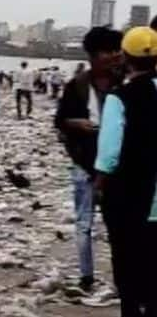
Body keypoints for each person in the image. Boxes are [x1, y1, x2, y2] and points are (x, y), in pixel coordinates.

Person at [55, 26, 124, 294]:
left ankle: (122, 279)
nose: (116, 56)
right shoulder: (78, 85)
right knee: (84, 223)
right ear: (95, 56)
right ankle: (87, 277)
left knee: (117, 225)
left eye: (118, 50)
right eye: (109, 51)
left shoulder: (126, 83)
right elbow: (60, 120)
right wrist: (78, 124)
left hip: (117, 167)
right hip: (85, 164)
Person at [94, 26, 157, 316]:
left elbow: (109, 153)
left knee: (128, 262)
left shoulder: (119, 97)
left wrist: (100, 184)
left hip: (130, 197)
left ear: (126, 57)